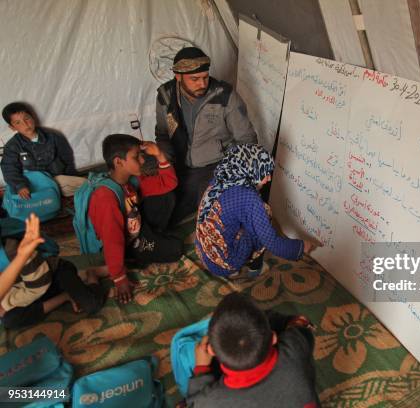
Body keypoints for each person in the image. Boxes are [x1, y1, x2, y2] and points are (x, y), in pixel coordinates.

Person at [155, 46, 257, 222]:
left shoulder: (224, 95)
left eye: (205, 77)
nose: (202, 84)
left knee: (214, 215)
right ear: (178, 76)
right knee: (161, 210)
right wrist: (165, 162)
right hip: (180, 165)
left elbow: (247, 140)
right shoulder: (165, 95)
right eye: (194, 79)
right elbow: (162, 134)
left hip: (214, 166)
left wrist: (233, 174)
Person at [194, 144, 321, 279]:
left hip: (203, 248)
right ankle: (253, 267)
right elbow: (272, 242)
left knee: (251, 217)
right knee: (265, 214)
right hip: (222, 263)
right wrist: (302, 247)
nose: (269, 178)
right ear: (252, 170)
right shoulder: (248, 197)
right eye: (265, 173)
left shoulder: (223, 175)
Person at [88, 135, 182, 304]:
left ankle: (148, 243)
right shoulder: (106, 197)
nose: (142, 159)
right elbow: (112, 239)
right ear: (119, 162)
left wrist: (159, 155)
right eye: (136, 156)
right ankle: (109, 267)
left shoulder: (129, 180)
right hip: (126, 242)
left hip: (136, 228)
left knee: (166, 196)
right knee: (175, 249)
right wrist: (119, 279)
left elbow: (168, 183)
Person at [186, 292, 320, 407]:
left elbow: (194, 403)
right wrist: (296, 322)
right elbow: (302, 329)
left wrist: (201, 368)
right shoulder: (295, 348)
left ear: (211, 350)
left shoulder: (211, 401)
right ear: (273, 338)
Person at [0, 214, 104, 329]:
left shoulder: (11, 251)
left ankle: (91, 273)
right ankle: (66, 295)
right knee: (10, 320)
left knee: (92, 304)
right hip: (26, 289)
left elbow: (38, 286)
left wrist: (7, 304)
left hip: (52, 275)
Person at [1, 102, 85, 198]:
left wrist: (71, 177)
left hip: (56, 180)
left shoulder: (53, 136)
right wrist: (20, 186)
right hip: (33, 183)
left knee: (86, 185)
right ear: (12, 127)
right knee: (25, 196)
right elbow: (9, 169)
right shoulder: (12, 146)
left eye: (27, 118)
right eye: (18, 122)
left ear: (33, 117)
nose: (25, 124)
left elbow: (67, 158)